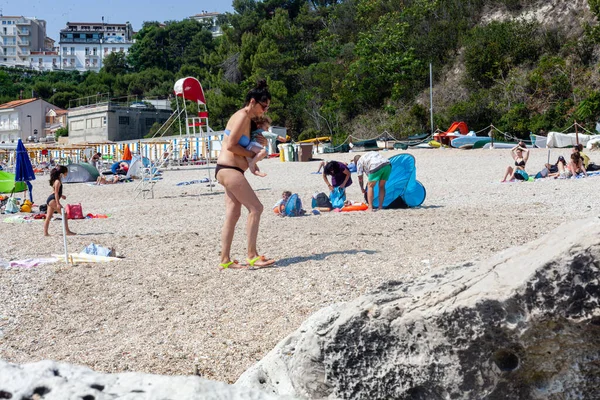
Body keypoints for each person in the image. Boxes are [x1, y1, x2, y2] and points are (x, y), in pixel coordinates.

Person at [215, 79, 276, 270]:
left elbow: (238, 145)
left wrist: (253, 164)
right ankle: (252, 256)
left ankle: (225, 260)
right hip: (230, 169)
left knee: (233, 215)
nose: (264, 111)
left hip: (228, 170)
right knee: (256, 208)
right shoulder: (242, 116)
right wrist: (252, 155)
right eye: (263, 106)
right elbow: (231, 146)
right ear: (252, 102)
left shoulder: (244, 118)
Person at [43, 166, 76, 236]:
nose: (67, 174)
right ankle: (67, 231)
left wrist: (62, 195)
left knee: (48, 216)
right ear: (62, 173)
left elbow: (55, 192)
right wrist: (58, 203)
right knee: (64, 214)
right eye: (66, 172)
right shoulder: (57, 181)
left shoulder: (56, 180)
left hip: (50, 199)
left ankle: (45, 233)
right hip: (53, 200)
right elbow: (56, 193)